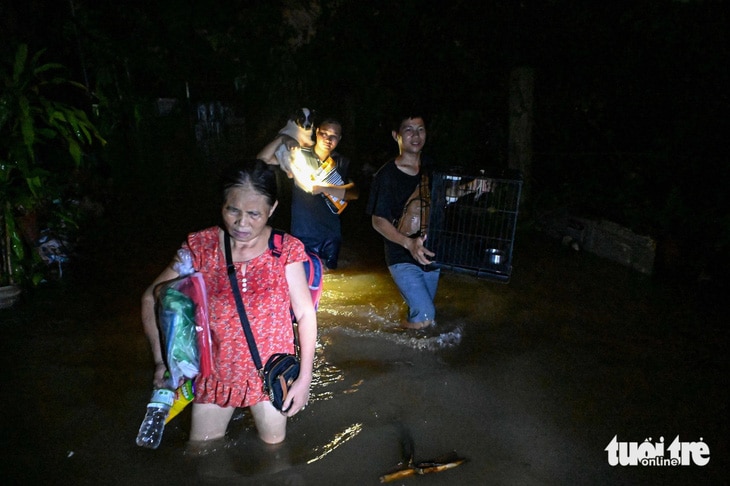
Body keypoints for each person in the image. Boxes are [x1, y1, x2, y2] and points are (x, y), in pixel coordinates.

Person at [141, 159, 316, 446]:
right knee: (202, 452)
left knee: (274, 452)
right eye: (232, 210)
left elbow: (305, 313)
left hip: (269, 373)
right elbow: (151, 297)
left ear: (271, 209)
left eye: (254, 214)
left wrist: (304, 378)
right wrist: (161, 362)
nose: (242, 223)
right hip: (216, 375)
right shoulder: (201, 246)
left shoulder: (284, 249)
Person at [366, 113, 440, 330]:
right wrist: (409, 243)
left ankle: (398, 333)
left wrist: (472, 187)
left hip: (430, 254)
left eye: (420, 129)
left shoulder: (431, 168)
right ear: (396, 135)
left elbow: (442, 198)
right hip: (401, 256)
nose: (416, 135)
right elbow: (378, 220)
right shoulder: (386, 176)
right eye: (408, 129)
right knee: (426, 316)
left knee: (422, 313)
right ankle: (398, 345)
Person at [257, 118, 358, 269]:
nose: (328, 139)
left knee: (329, 278)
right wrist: (283, 139)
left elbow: (354, 193)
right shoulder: (299, 155)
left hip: (331, 235)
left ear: (340, 138)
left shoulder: (342, 162)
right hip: (303, 234)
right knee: (306, 279)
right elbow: (262, 160)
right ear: (316, 132)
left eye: (334, 136)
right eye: (324, 133)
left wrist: (323, 187)